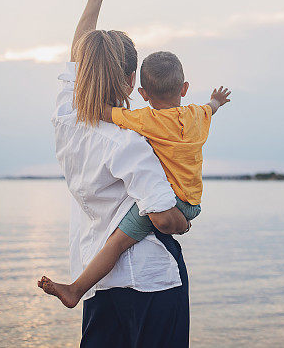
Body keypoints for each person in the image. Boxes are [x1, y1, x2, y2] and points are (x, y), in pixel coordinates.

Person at [37, 0, 192, 347]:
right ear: (129, 82)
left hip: (98, 281)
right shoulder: (129, 144)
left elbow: (76, 57)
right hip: (152, 280)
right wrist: (183, 220)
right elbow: (162, 218)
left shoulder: (67, 121)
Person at [42, 49, 231, 309]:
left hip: (169, 202)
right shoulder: (198, 115)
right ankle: (76, 288)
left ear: (142, 93)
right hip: (193, 201)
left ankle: (76, 289)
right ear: (184, 88)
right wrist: (216, 100)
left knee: (117, 243)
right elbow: (211, 109)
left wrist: (84, 92)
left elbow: (105, 114)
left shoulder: (145, 120)